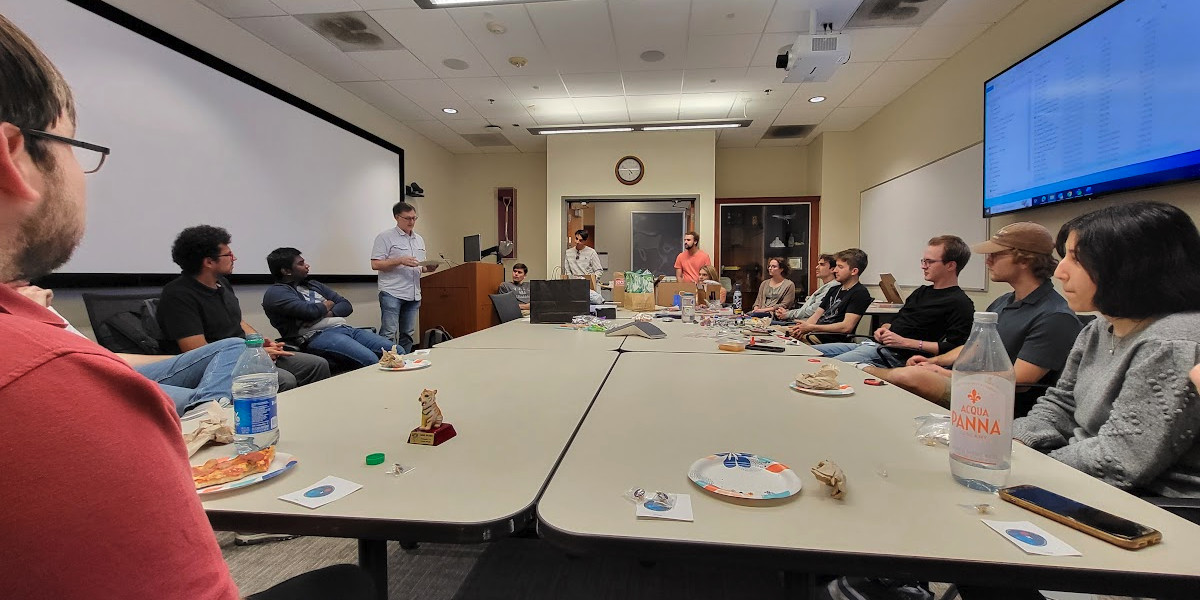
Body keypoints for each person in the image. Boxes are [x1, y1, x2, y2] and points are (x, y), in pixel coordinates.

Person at [0, 14, 372, 598]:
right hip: (193, 368)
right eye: (75, 147)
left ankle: (207, 420)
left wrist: (54, 331)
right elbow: (196, 349)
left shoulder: (50, 346)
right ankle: (207, 421)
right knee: (244, 354)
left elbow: (144, 355)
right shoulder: (48, 382)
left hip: (147, 373)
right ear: (12, 157)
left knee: (262, 350)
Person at [1013, 202, 1200, 497]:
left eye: (1076, 259)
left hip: (1149, 505)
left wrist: (1030, 466)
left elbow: (1120, 460)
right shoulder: (1099, 327)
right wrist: (1015, 442)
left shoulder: (1173, 342)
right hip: (1078, 476)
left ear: (1132, 266)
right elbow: (1062, 404)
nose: (1059, 272)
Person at [861, 223, 1082, 416]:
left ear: (1024, 259)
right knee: (919, 372)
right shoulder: (1003, 302)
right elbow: (973, 346)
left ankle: (862, 371)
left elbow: (1018, 381)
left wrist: (948, 373)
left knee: (914, 377)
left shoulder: (1055, 316)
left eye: (996, 254)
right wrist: (933, 362)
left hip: (998, 402)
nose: (988, 261)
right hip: (974, 383)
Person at [157, 225, 330, 391]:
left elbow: (238, 322)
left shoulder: (222, 284)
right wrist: (255, 356)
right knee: (284, 380)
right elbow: (198, 353)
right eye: (229, 255)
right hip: (219, 366)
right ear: (209, 262)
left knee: (316, 365)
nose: (235, 259)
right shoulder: (178, 295)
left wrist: (261, 342)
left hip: (245, 352)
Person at [813, 236, 975, 368]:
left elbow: (955, 348)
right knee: (807, 353)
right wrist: (884, 329)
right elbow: (894, 322)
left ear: (950, 266)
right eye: (923, 261)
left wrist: (905, 342)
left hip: (896, 356)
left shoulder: (960, 303)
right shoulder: (921, 292)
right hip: (874, 346)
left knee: (824, 367)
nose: (923, 266)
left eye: (929, 262)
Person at [263, 247, 397, 368]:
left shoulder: (313, 284)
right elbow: (309, 312)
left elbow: (346, 305)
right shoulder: (276, 293)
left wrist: (326, 313)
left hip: (344, 329)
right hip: (315, 336)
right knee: (371, 360)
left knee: (397, 351)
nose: (307, 266)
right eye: (301, 263)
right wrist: (328, 303)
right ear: (286, 271)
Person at [371, 201, 437, 353]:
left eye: (414, 218)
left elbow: (418, 266)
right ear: (397, 217)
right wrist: (399, 260)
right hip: (392, 292)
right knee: (388, 333)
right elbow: (375, 264)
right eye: (407, 218)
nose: (412, 222)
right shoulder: (385, 237)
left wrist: (428, 268)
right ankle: (385, 364)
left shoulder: (419, 239)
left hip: (413, 293)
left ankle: (404, 363)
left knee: (408, 334)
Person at [788, 249, 873, 344]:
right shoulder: (833, 289)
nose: (835, 270)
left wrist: (812, 328)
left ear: (854, 271)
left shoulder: (860, 293)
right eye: (836, 266)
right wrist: (801, 329)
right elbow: (816, 316)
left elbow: (846, 327)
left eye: (840, 267)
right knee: (776, 332)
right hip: (813, 334)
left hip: (828, 340)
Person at [775, 253, 838, 322]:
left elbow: (812, 310)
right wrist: (788, 312)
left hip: (813, 326)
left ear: (832, 269)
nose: (817, 267)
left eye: (822, 264)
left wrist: (788, 314)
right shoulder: (826, 286)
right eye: (818, 264)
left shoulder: (832, 287)